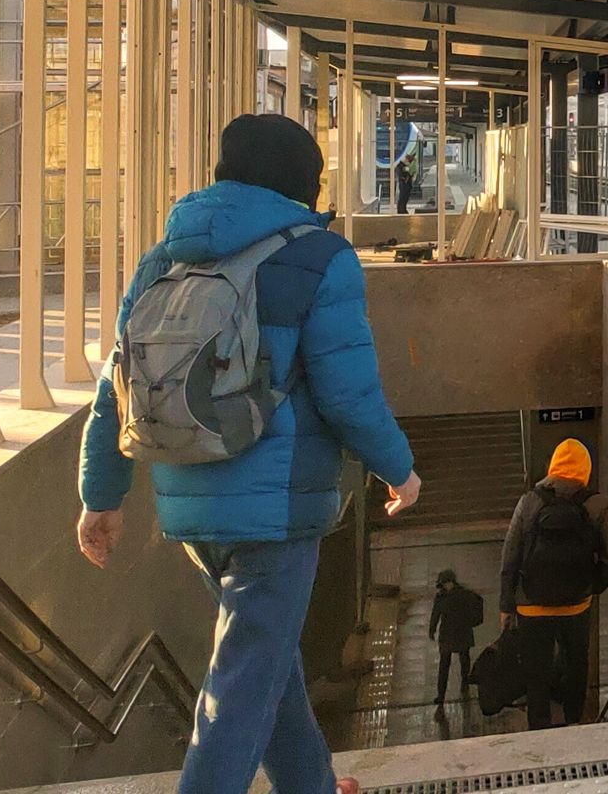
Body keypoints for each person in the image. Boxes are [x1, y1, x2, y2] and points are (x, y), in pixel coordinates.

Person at [77, 113, 421, 794]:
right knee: (241, 688)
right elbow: (348, 392)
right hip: (278, 507)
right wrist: (399, 469)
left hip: (187, 501)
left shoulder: (162, 258)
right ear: (303, 181)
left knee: (265, 668)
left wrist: (102, 494)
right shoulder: (320, 256)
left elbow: (116, 383)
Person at [499, 439, 608, 729]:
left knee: (536, 671)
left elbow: (510, 556)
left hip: (532, 606)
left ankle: (539, 729)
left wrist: (506, 604)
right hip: (576, 605)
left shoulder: (529, 501)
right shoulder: (597, 504)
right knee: (576, 664)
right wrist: (593, 586)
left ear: (553, 465)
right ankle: (573, 722)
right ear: (585, 469)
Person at [428, 568, 484, 709]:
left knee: (463, 659)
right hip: (450, 634)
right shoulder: (445, 597)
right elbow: (435, 615)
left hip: (459, 632)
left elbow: (478, 602)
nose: (445, 586)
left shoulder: (462, 595)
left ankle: (464, 681)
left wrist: (474, 620)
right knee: (445, 665)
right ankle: (441, 695)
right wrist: (432, 629)